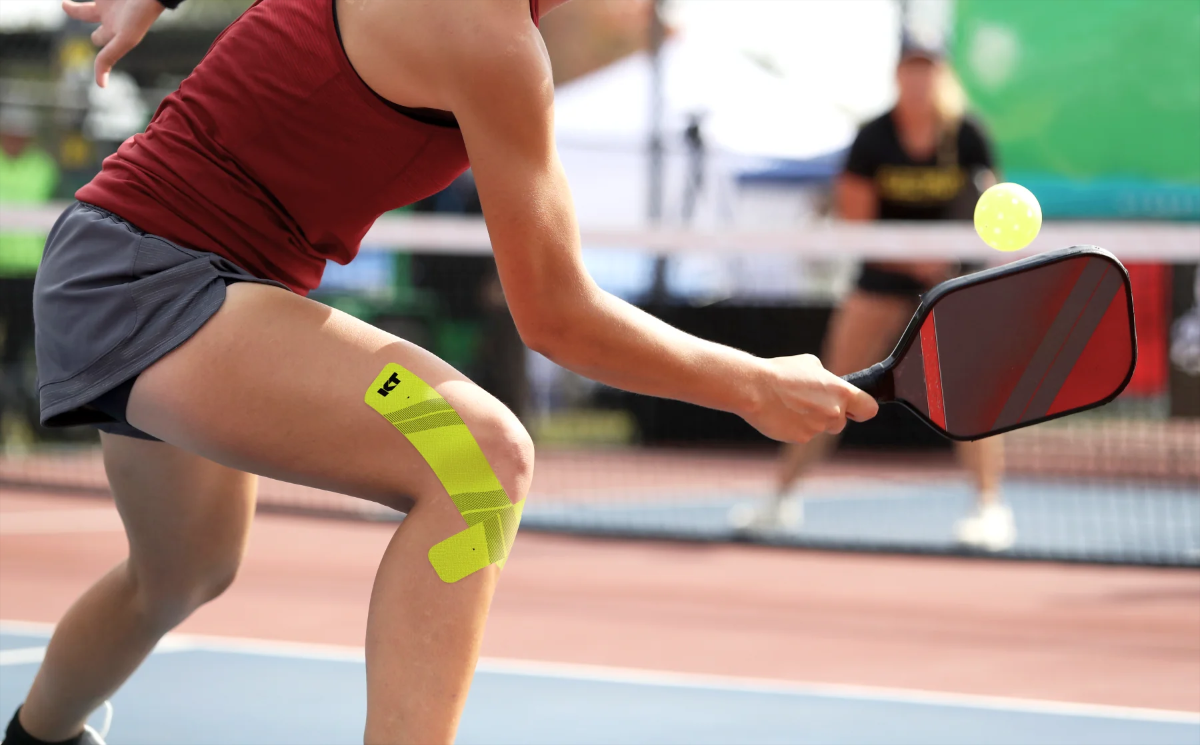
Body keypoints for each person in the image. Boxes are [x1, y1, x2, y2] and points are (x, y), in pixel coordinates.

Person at [4, 1, 877, 744]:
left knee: (185, 569)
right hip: (149, 279)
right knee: (477, 461)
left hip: (155, 269)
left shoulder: (505, 40)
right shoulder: (488, 39)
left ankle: (37, 736)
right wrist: (751, 383)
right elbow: (558, 317)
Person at [731, 38, 1014, 552]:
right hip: (882, 279)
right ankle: (780, 499)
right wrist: (913, 260)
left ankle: (990, 508)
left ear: (943, 76)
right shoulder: (874, 138)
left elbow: (991, 213)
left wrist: (951, 258)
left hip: (953, 283)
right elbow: (856, 222)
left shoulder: (967, 135)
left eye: (928, 69)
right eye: (911, 69)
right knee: (832, 385)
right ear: (897, 75)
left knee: (972, 395)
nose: (919, 79)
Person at [0, 106, 59, 452]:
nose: (16, 139)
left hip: (27, 275)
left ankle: (20, 424)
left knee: (20, 350)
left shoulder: (44, 167)